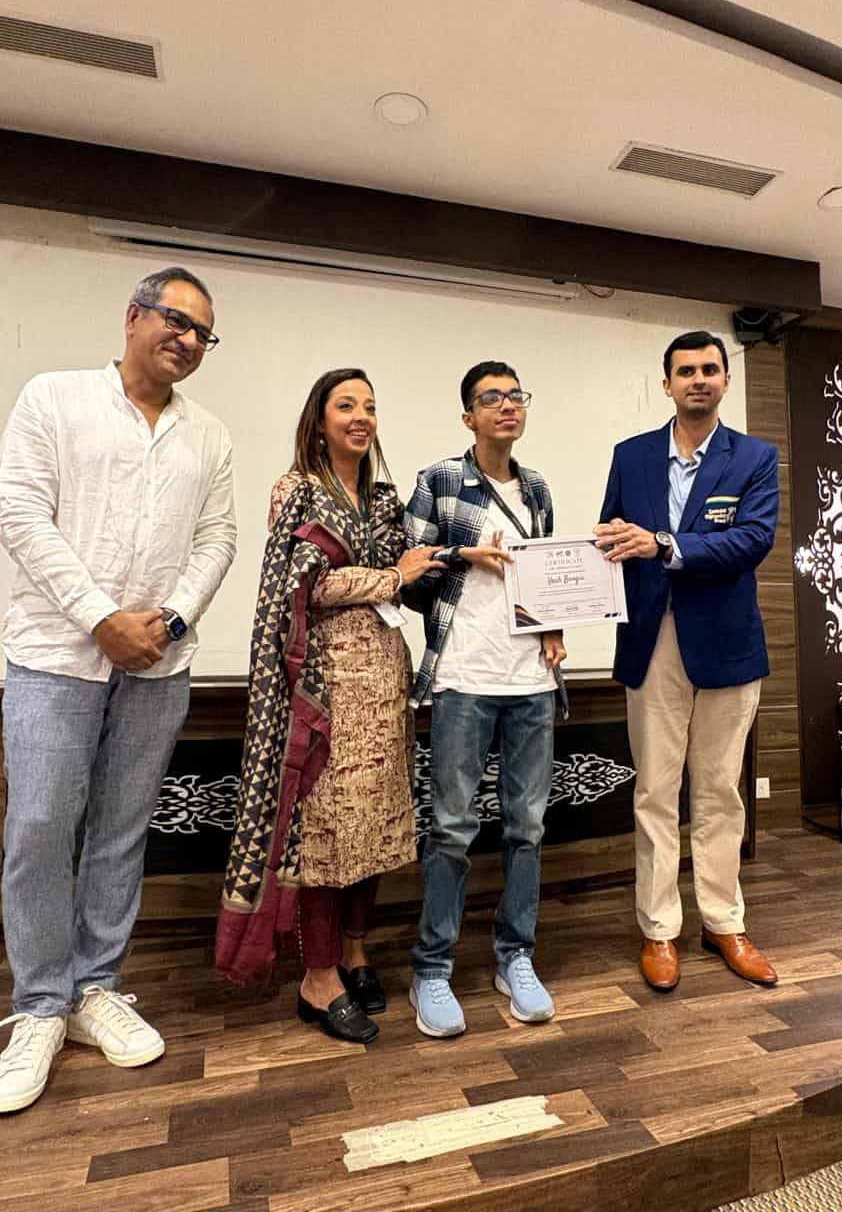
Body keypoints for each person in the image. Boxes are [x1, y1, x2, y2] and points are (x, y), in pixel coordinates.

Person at [0, 267, 236, 1112]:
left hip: (158, 665)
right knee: (38, 826)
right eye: (176, 319)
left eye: (202, 332)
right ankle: (39, 1005)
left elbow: (217, 539)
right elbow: (20, 515)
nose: (188, 339)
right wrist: (100, 617)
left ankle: (96, 988)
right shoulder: (54, 398)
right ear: (134, 317)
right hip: (52, 656)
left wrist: (168, 620)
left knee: (120, 830)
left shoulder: (209, 436)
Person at [216, 369, 440, 1045]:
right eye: (347, 405)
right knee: (327, 836)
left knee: (373, 830)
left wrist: (438, 561)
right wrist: (392, 576)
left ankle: (354, 951)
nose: (361, 416)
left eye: (370, 406)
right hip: (324, 689)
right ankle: (317, 977)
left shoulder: (382, 496)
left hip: (385, 681)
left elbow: (413, 578)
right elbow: (303, 584)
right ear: (320, 420)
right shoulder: (297, 490)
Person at [594, 330, 779, 993]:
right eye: (685, 370)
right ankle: (659, 929)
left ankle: (724, 922)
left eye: (709, 369)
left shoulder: (755, 457)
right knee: (654, 791)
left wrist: (665, 543)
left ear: (725, 380)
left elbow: (752, 540)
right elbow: (611, 539)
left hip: (728, 644)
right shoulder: (631, 456)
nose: (698, 379)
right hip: (651, 641)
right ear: (666, 383)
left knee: (720, 791)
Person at [404, 361, 566, 1038]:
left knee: (527, 827)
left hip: (531, 681)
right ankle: (432, 968)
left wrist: (554, 623)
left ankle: (515, 956)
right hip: (464, 677)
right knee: (452, 827)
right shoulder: (441, 480)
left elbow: (547, 577)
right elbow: (407, 576)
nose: (507, 406)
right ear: (468, 416)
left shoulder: (538, 488)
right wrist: (461, 554)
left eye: (515, 395)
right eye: (491, 398)